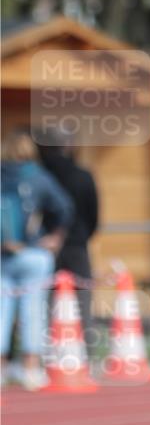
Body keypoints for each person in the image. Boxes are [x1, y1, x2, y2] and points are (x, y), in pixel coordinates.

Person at [1, 128, 74, 390]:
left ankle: (1, 369)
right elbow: (64, 207)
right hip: (33, 252)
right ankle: (30, 369)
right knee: (32, 311)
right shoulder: (38, 177)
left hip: (3, 254)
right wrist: (55, 237)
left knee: (1, 313)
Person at [38, 130, 99, 350]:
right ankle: (86, 353)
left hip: (43, 246)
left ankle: (46, 353)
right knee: (82, 302)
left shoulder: (40, 174)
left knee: (45, 303)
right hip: (77, 245)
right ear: (70, 146)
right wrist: (81, 236)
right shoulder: (83, 175)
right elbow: (93, 215)